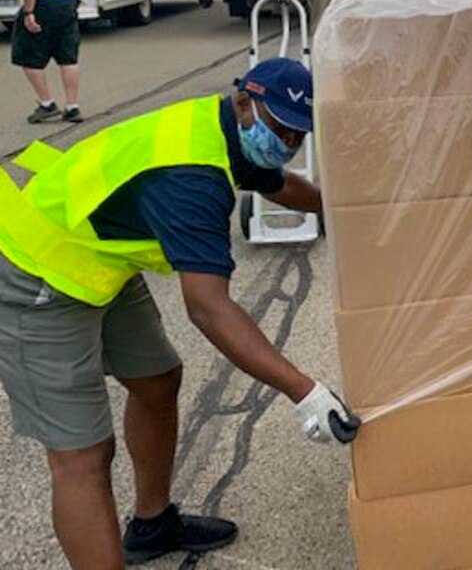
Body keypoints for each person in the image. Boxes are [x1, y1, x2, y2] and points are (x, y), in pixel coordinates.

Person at [0, 58, 358, 570]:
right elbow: (209, 309)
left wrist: (346, 209)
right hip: (37, 267)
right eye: (280, 128)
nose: (288, 143)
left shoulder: (227, 127)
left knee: (157, 379)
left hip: (97, 256)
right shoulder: (193, 177)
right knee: (83, 457)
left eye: (299, 135)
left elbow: (277, 183)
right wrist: (305, 392)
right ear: (244, 102)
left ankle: (153, 524)